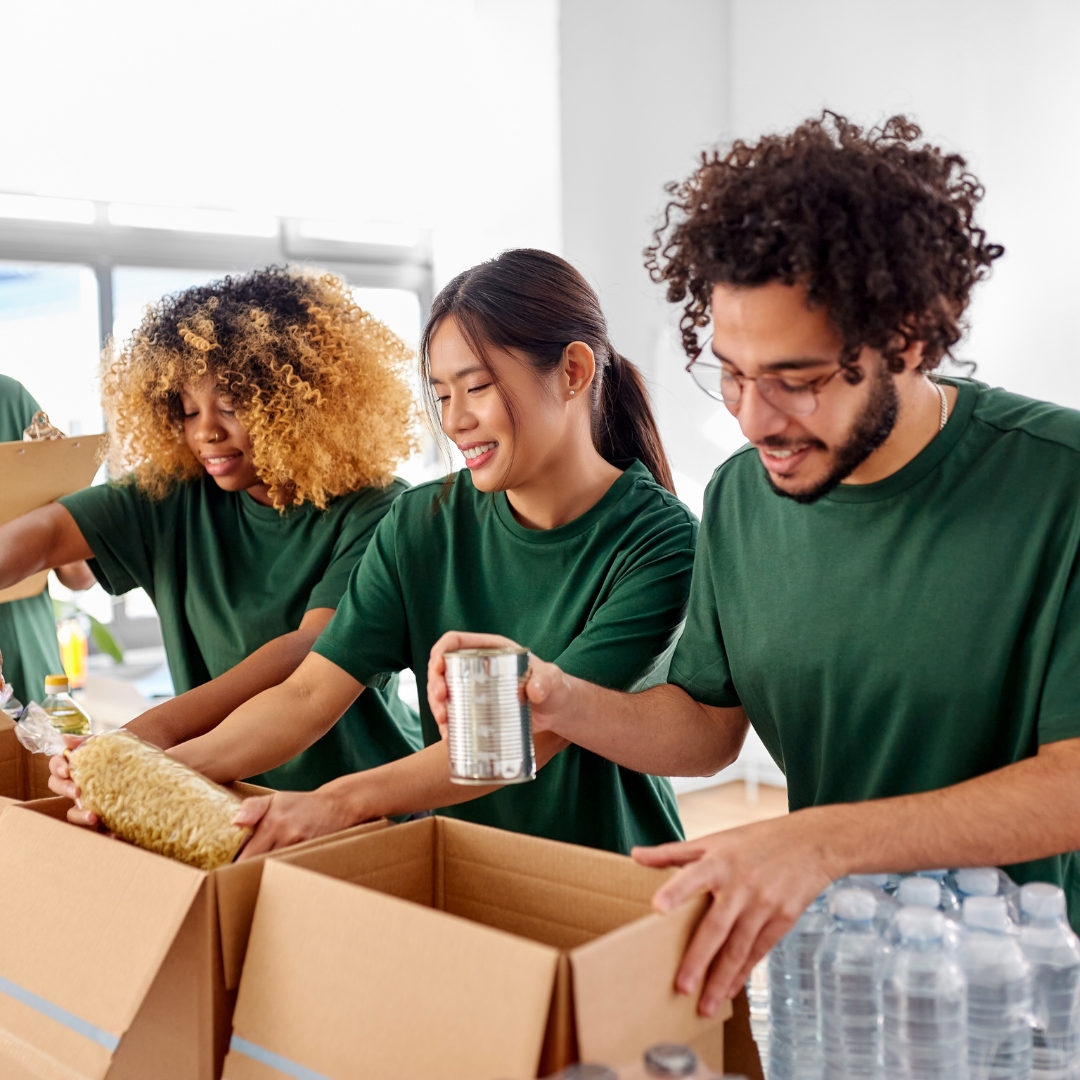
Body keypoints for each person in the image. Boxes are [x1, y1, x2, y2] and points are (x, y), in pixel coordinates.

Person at [431, 114, 1080, 1017]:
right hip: (839, 966)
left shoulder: (1059, 485)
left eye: (800, 379)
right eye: (730, 374)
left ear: (910, 337)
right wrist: (565, 700)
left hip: (1036, 988)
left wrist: (818, 842)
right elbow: (706, 726)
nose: (754, 418)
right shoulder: (743, 496)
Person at [134, 248, 697, 858]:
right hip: (464, 866)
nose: (455, 421)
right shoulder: (421, 523)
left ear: (573, 371)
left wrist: (339, 801)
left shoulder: (658, 540)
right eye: (442, 395)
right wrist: (147, 767)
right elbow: (307, 696)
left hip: (611, 870)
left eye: (477, 387)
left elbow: (528, 731)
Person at [3, 265, 422, 797]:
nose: (206, 432)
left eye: (231, 406)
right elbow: (42, 535)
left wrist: (142, 739)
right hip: (220, 791)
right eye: (187, 409)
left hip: (355, 798)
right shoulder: (174, 492)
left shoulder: (378, 509)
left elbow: (310, 650)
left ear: (297, 404)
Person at [0, 374, 95, 703]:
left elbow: (80, 575)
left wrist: (61, 485)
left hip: (24, 645)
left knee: (46, 751)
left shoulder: (8, 399)